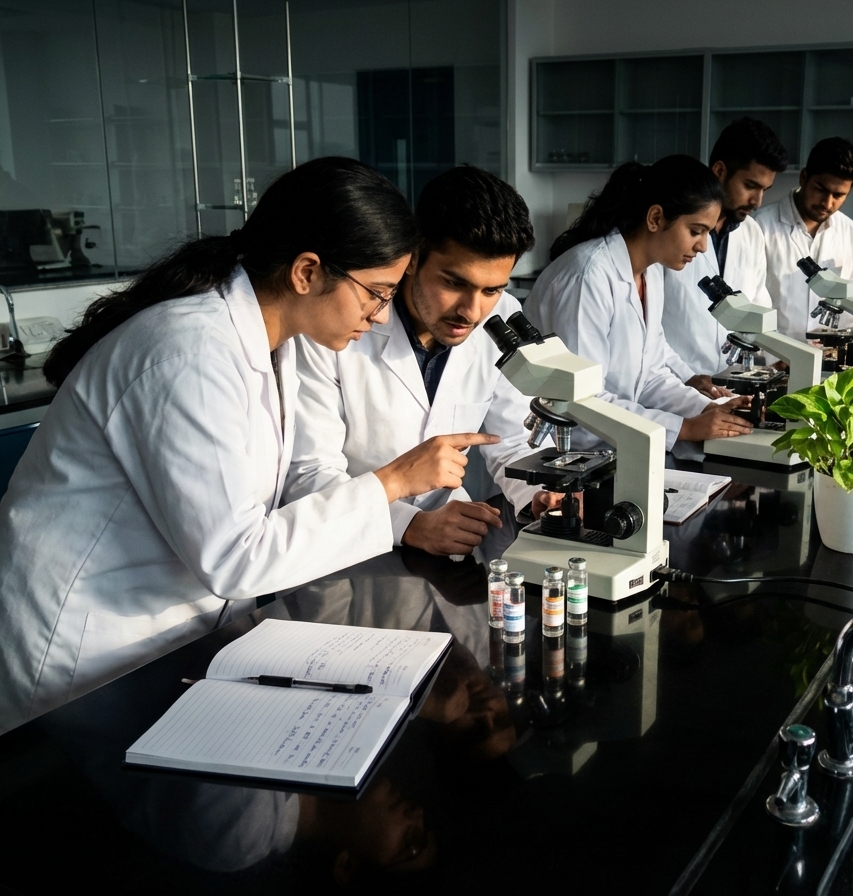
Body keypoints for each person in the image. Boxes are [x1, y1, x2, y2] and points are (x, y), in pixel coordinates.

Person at [0, 157, 495, 734]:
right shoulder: (189, 352)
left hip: (170, 637)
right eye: (376, 293)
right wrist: (392, 481)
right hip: (84, 652)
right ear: (306, 272)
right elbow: (235, 556)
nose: (381, 316)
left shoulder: (270, 346)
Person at [285, 165, 544, 556]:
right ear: (413, 257)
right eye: (454, 283)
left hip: (450, 539)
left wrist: (539, 493)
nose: (472, 311)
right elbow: (308, 474)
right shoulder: (334, 323)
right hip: (346, 547)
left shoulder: (501, 316)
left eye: (491, 290)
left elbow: (511, 440)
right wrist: (408, 525)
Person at [523, 154, 753, 451]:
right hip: (561, 449)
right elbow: (582, 399)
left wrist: (706, 408)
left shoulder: (650, 273)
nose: (703, 246)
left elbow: (651, 376)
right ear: (655, 218)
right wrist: (684, 428)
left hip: (613, 445)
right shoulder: (587, 277)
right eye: (696, 231)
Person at [661, 118, 788, 384]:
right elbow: (646, 324)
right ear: (719, 170)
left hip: (726, 382)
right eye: (750, 186)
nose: (757, 201)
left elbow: (756, 306)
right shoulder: (671, 230)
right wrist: (684, 378)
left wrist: (774, 356)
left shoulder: (751, 232)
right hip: (670, 382)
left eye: (764, 190)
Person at [757, 136, 853, 340]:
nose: (827, 203)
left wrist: (848, 343)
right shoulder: (760, 226)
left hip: (830, 353)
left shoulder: (848, 230)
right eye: (821, 189)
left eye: (838, 195)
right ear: (803, 177)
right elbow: (750, 300)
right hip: (772, 354)